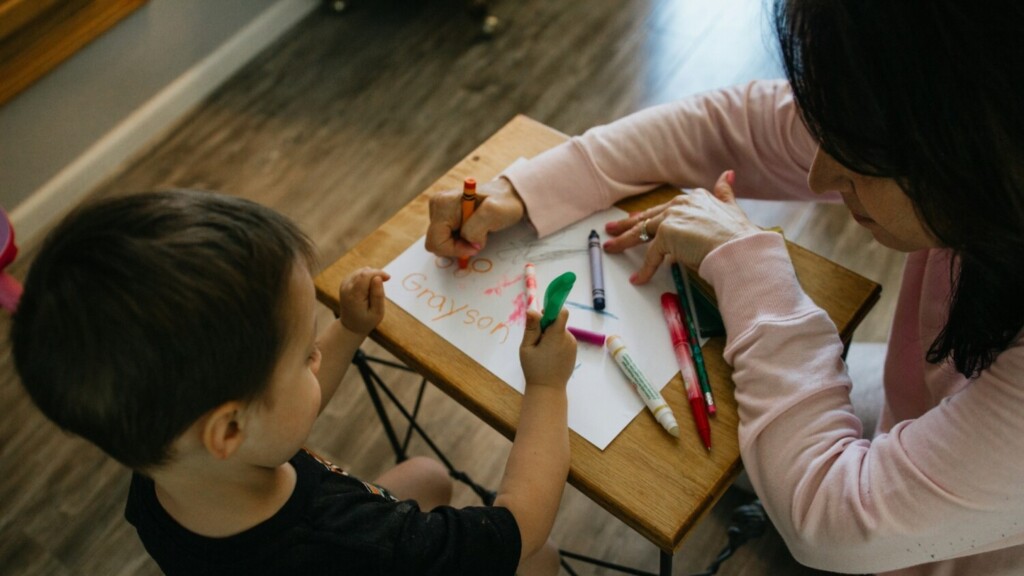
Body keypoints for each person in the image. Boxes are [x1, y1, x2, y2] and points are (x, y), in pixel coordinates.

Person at [423, 1, 1024, 574]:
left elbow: (831, 518)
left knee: (764, 461)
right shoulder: (971, 131)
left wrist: (749, 265)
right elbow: (735, 125)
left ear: (973, 145)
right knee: (746, 449)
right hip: (921, 406)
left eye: (856, 157)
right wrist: (525, 189)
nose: (818, 174)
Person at [10, 189, 577, 575]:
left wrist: (348, 329)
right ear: (228, 427)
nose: (317, 357)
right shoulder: (358, 540)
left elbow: (275, 418)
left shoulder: (165, 468)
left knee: (428, 475)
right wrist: (548, 388)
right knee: (543, 558)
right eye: (307, 355)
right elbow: (520, 525)